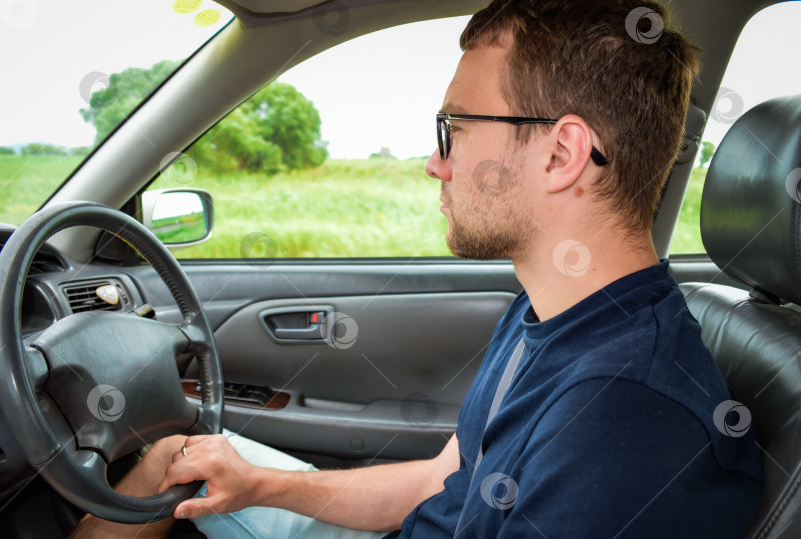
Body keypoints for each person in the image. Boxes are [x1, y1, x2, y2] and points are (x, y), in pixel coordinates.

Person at [72, 0, 763, 537]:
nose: (434, 162)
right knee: (178, 458)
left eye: (455, 128)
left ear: (561, 154)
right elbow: (446, 478)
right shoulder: (552, 311)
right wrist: (261, 484)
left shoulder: (625, 425)